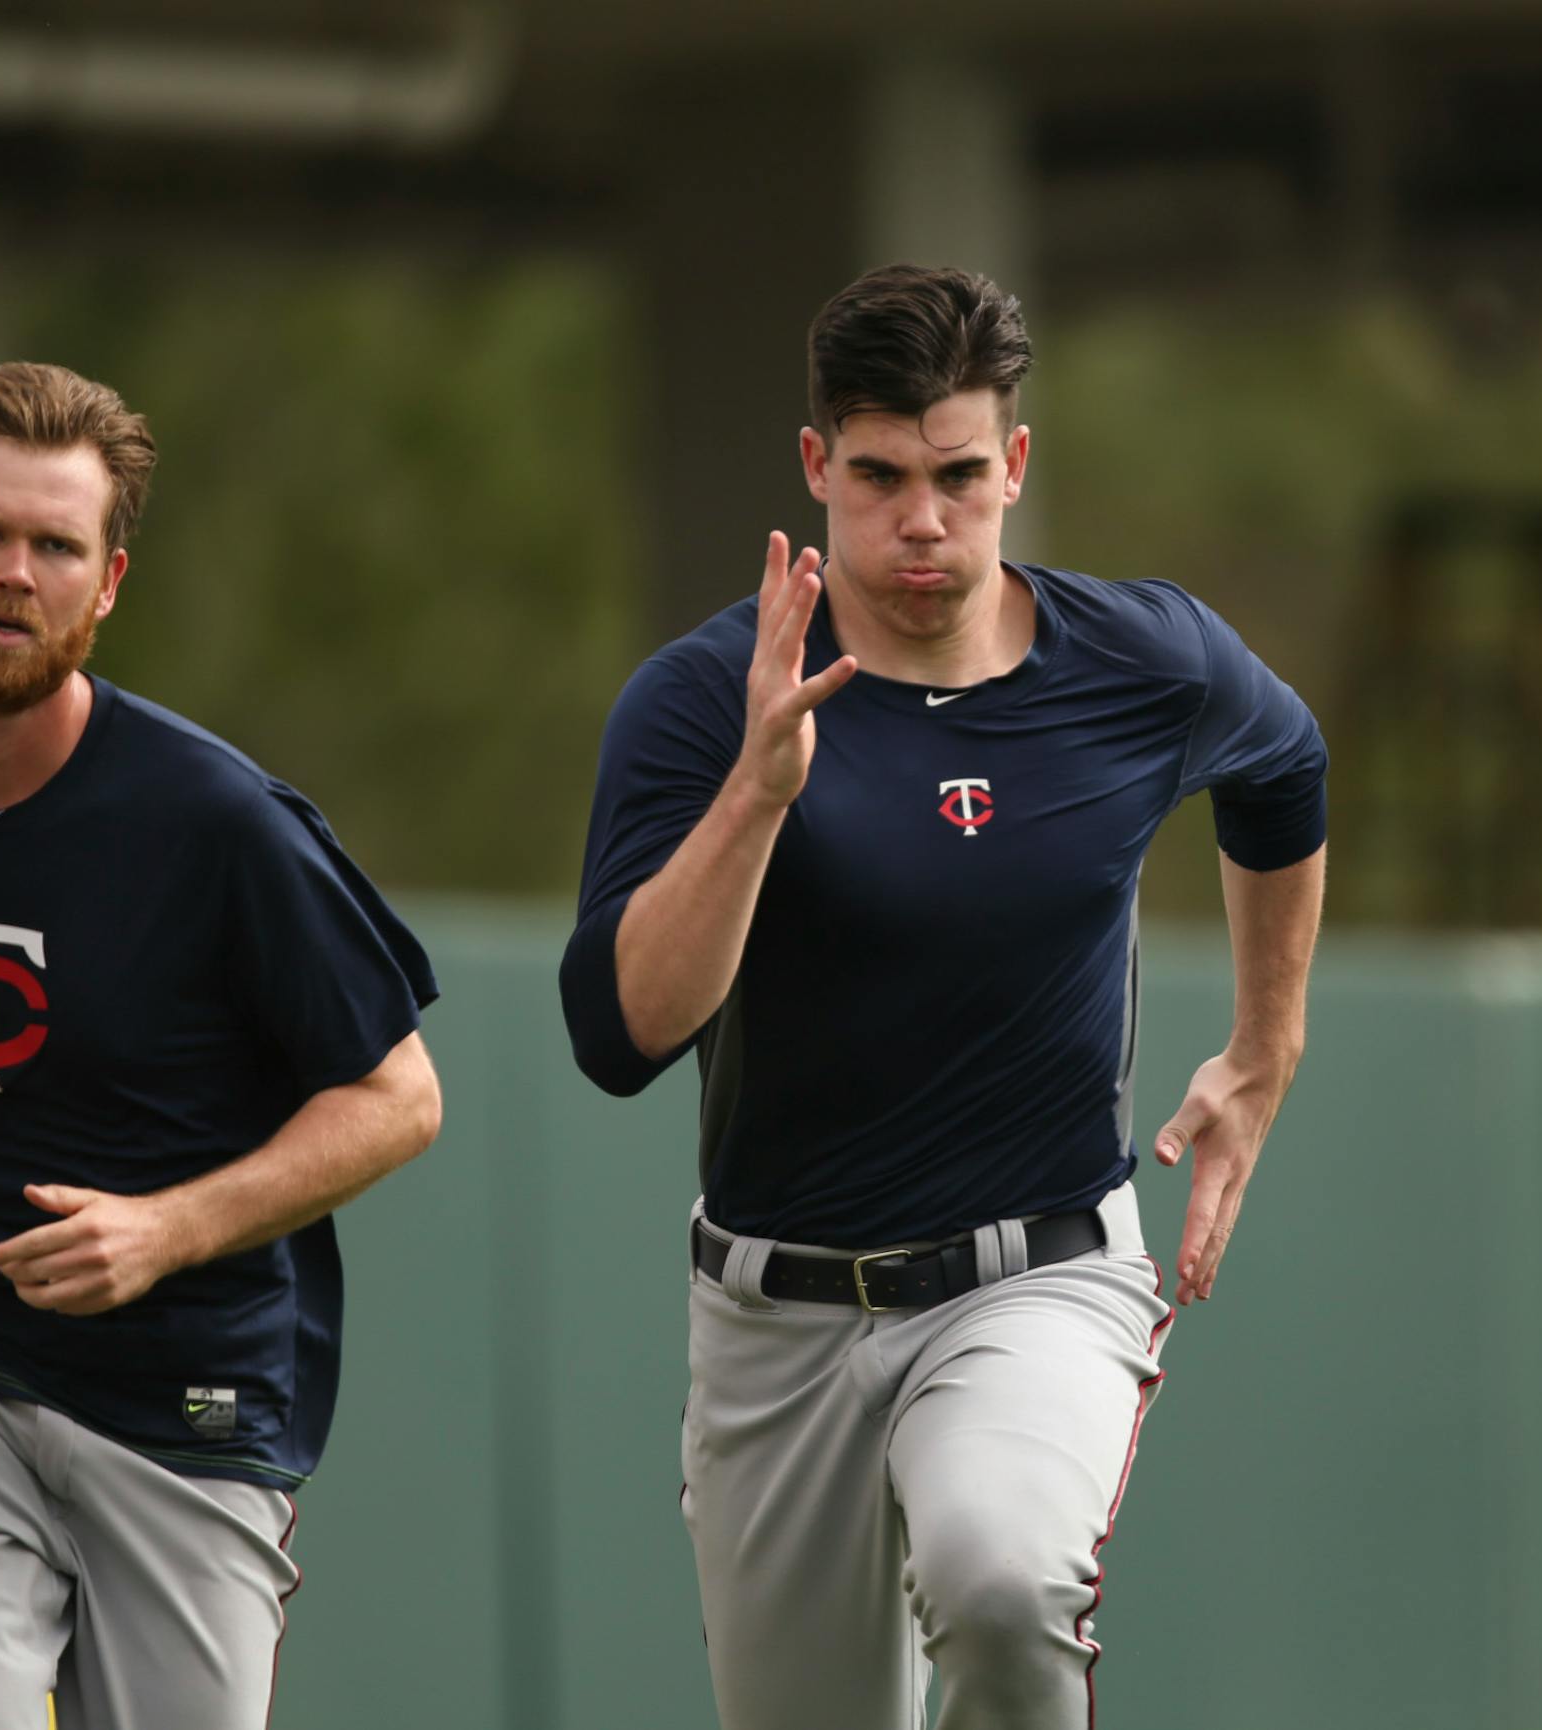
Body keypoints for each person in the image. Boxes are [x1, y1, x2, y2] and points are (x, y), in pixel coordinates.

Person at [560, 264, 1327, 1729]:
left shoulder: (1140, 660)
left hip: (1032, 1276)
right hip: (772, 1314)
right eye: (882, 475)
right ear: (816, 467)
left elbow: (1284, 768)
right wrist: (756, 798)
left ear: (1014, 465)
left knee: (1003, 1580)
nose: (923, 518)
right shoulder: (704, 700)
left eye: (961, 475)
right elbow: (618, 1036)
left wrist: (1265, 1044)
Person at [0, 362, 443, 1730]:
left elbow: (399, 1095)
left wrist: (169, 1228)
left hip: (190, 1397)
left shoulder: (222, 822)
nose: (15, 572)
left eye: (56, 544)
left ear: (106, 583)